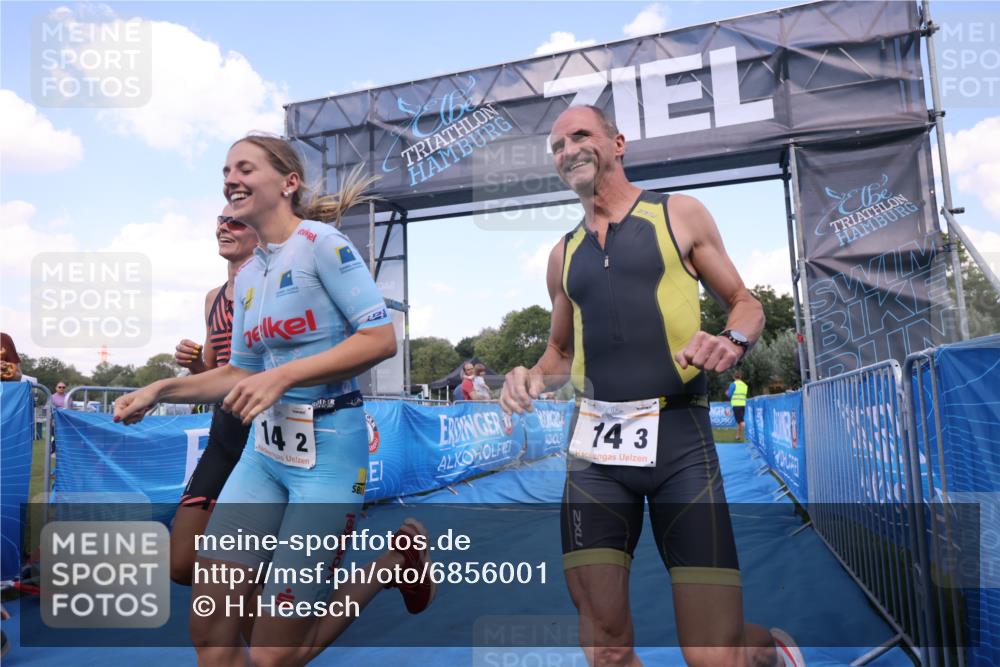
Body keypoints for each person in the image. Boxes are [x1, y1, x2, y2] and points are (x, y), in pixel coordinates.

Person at [500, 105, 804, 667]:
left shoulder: (679, 214)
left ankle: (770, 650)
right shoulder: (561, 255)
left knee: (714, 656)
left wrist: (731, 341)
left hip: (680, 441)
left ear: (618, 143)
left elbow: (747, 303)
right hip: (594, 452)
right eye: (557, 146)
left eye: (581, 136)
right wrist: (528, 376)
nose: (568, 150)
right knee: (606, 650)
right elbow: (560, 355)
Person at [114, 134, 434, 666]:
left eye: (245, 168)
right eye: (225, 170)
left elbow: (380, 339)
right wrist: (160, 389)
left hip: (329, 456)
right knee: (211, 637)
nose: (230, 179)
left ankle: (388, 567)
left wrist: (282, 377)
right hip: (262, 456)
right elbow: (238, 371)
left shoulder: (323, 244)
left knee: (272, 656)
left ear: (288, 183)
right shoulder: (247, 277)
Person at [168, 203, 258, 585]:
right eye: (221, 221)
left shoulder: (278, 289)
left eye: (236, 222)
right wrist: (193, 367)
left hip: (269, 438)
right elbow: (214, 374)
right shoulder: (212, 298)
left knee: (265, 574)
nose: (224, 227)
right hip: (226, 434)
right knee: (181, 564)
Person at [727, 370, 749, 442]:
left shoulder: (733, 384)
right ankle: (738, 436)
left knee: (741, 421)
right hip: (743, 404)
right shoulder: (744, 385)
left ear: (734, 377)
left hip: (736, 404)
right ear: (741, 377)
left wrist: (727, 393)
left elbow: (729, 395)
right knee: (739, 421)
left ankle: (749, 435)